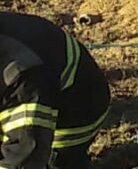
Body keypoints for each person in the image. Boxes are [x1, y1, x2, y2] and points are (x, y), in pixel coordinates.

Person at [0, 12, 111, 169]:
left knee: (50, 161)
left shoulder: (22, 74)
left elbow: (27, 152)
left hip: (78, 106)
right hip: (27, 87)